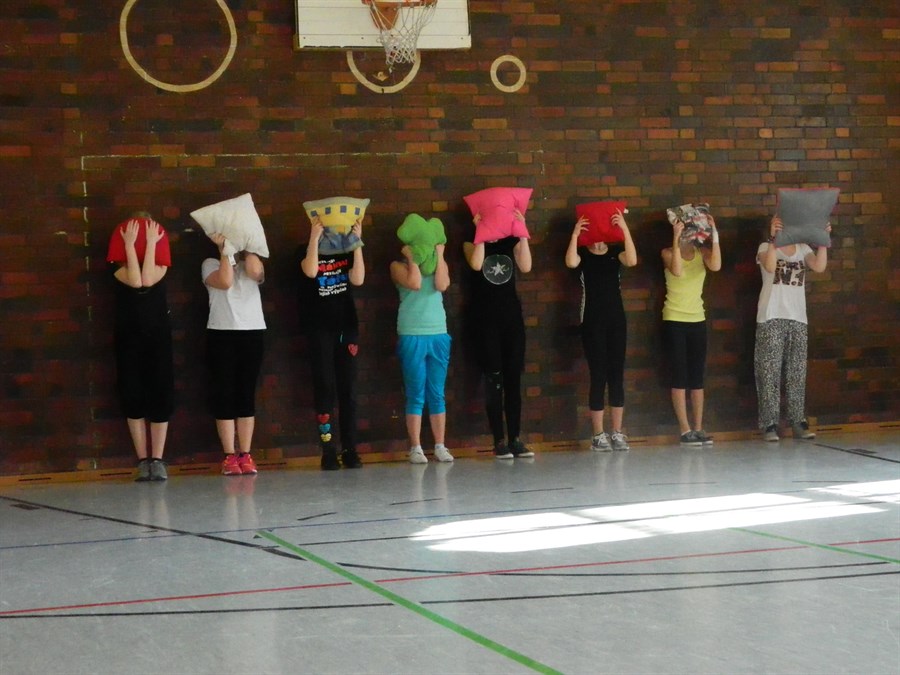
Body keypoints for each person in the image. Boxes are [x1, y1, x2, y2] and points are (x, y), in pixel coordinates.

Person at [565, 209, 638, 452]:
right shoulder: (584, 255)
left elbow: (632, 260)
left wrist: (624, 229)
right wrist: (576, 235)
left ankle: (617, 431)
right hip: (592, 320)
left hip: (616, 319)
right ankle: (598, 434)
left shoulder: (615, 253)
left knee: (616, 374)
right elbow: (570, 262)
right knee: (598, 375)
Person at [463, 211, 534, 459]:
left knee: (513, 378)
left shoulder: (509, 242)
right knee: (494, 379)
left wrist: (522, 230)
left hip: (511, 318)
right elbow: (476, 264)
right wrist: (481, 233)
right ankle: (499, 440)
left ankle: (515, 438)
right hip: (485, 320)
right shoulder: (471, 242)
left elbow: (526, 266)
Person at [110, 215, 174, 482]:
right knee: (132, 394)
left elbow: (147, 279)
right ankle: (142, 460)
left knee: (160, 393)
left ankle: (157, 459)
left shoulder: (161, 265)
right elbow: (136, 281)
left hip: (157, 336)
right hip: (129, 337)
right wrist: (129, 245)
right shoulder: (116, 268)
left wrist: (150, 244)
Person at [754, 216, 830, 441]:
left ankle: (798, 421)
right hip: (771, 315)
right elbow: (769, 266)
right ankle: (769, 424)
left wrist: (823, 240)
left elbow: (819, 266)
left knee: (796, 371)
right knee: (769, 371)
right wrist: (773, 239)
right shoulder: (765, 247)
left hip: (797, 316)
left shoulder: (803, 249)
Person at [299, 217, 365, 470]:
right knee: (325, 387)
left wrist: (356, 243)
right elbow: (310, 271)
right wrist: (314, 238)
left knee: (349, 390)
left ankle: (350, 449)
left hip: (346, 327)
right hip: (319, 329)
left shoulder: (345, 250)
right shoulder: (304, 250)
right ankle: (328, 451)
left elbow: (358, 278)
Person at [202, 234, 266, 475]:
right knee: (224, 393)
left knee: (246, 394)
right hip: (221, 332)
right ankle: (229, 455)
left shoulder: (252, 262)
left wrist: (249, 247)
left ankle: (245, 454)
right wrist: (224, 249)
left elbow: (255, 272)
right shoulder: (210, 263)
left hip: (252, 331)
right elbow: (225, 281)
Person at [661, 213, 721, 447]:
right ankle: (685, 429)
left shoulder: (702, 253)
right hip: (675, 318)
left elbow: (716, 265)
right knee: (679, 375)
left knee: (697, 376)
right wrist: (676, 239)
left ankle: (698, 427)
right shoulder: (667, 252)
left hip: (697, 318)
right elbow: (677, 270)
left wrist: (714, 235)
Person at [391, 241, 454, 464]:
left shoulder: (437, 264)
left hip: (438, 332)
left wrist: (439, 254)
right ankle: (416, 447)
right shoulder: (397, 266)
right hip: (412, 333)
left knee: (437, 392)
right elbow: (415, 283)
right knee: (415, 392)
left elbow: (442, 284)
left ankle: (440, 445)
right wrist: (412, 258)